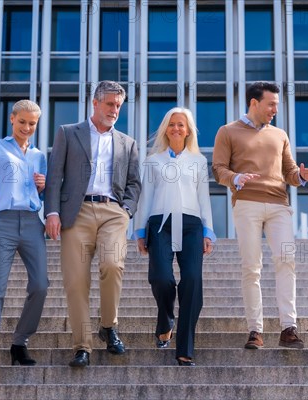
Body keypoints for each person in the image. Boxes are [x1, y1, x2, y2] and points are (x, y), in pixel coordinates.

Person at [212, 81, 308, 350]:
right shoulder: (227, 132)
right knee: (251, 267)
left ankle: (288, 327)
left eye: (277, 105)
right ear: (254, 103)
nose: (275, 109)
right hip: (246, 203)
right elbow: (218, 169)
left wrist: (301, 177)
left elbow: (290, 172)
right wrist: (235, 177)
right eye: (271, 104)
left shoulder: (280, 134)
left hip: (279, 205)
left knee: (286, 260)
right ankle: (255, 330)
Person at [44, 81, 141, 368]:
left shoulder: (128, 143)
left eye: (118, 106)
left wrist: (127, 210)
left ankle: (108, 325)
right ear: (95, 103)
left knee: (113, 265)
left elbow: (134, 182)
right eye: (110, 104)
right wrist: (52, 212)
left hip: (113, 211)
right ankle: (82, 345)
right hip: (77, 212)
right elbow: (54, 176)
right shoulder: (68, 133)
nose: (114, 110)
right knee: (76, 282)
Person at [134, 107, 215, 366]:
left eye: (181, 125)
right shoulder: (153, 160)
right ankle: (166, 318)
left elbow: (204, 198)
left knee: (192, 281)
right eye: (172, 124)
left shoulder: (199, 161)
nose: (176, 129)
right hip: (160, 224)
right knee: (161, 278)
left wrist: (207, 230)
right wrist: (139, 230)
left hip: (191, 225)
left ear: (188, 130)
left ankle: (185, 348)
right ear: (165, 129)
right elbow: (145, 197)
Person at [0, 99, 48, 384]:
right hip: (2, 221)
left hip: (32, 222)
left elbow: (41, 195)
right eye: (22, 122)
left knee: (41, 284)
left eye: (32, 124)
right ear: (12, 119)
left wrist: (43, 188)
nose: (27, 128)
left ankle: (19, 342)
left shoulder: (40, 155)